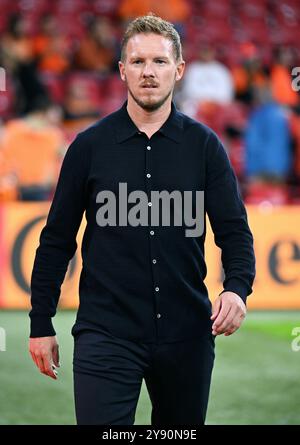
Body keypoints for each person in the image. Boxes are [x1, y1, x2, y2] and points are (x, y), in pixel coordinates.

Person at [28, 13, 256, 425]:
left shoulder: (205, 146)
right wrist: (40, 322)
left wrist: (238, 289)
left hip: (187, 334)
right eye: (137, 62)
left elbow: (235, 232)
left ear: (179, 69)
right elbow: (57, 240)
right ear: (121, 70)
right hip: (106, 334)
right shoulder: (89, 147)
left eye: (160, 61)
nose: (148, 72)